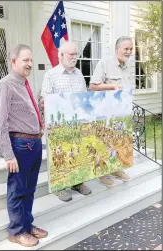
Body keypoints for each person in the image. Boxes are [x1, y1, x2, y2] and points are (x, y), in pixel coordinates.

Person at [0, 44, 48, 247]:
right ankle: (16, 231)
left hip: (33, 143)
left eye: (31, 60)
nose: (30, 64)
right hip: (20, 146)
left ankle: (27, 224)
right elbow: (0, 122)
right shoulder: (6, 84)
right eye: (26, 60)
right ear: (13, 61)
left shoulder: (24, 83)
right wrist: (8, 155)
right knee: (17, 189)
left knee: (29, 189)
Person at [38, 41, 92, 202]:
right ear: (61, 55)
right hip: (58, 124)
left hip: (76, 123)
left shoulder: (79, 74)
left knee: (77, 152)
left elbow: (84, 96)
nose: (74, 57)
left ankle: (77, 182)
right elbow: (44, 100)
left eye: (76, 54)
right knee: (59, 155)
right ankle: (59, 187)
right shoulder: (51, 74)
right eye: (71, 54)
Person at [89, 36, 134, 188]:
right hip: (105, 113)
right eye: (126, 49)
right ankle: (103, 173)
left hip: (121, 113)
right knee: (105, 143)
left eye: (130, 49)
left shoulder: (128, 66)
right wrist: (112, 87)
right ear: (117, 49)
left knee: (118, 143)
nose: (129, 52)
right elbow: (93, 86)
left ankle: (117, 169)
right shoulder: (105, 63)